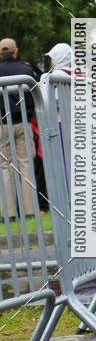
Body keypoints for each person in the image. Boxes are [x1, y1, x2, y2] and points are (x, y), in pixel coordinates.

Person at [0, 37, 37, 219]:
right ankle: (30, 211)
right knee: (26, 164)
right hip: (22, 121)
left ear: (0, 53)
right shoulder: (26, 69)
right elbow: (33, 97)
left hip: (2, 124)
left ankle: (8, 213)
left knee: (5, 167)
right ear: (15, 52)